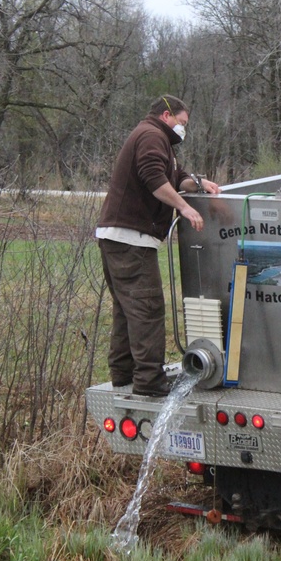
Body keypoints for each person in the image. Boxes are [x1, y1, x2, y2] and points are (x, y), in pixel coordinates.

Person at [96, 95, 221, 397]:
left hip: (118, 237)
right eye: (182, 123)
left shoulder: (156, 139)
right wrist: (186, 208)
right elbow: (153, 177)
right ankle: (150, 382)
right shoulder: (151, 135)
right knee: (147, 308)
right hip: (131, 238)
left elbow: (174, 177)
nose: (183, 129)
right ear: (167, 115)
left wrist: (198, 183)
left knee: (127, 311)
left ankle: (123, 376)